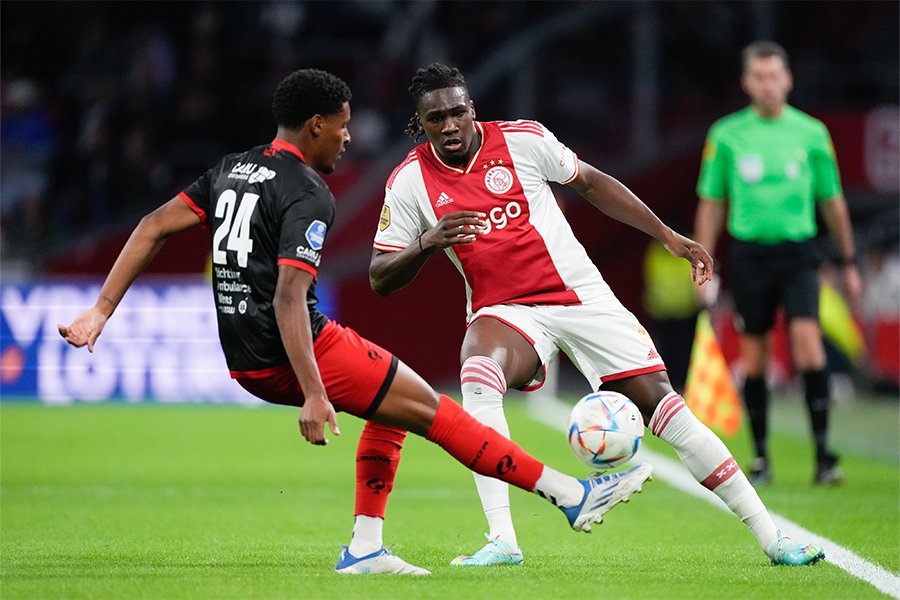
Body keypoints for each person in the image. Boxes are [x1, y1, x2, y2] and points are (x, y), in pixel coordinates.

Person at [57, 68, 656, 577]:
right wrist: (314, 393)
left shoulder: (232, 169)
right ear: (316, 124)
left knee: (391, 403)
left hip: (243, 357)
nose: (348, 138)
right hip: (296, 348)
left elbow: (152, 226)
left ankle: (366, 547)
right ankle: (572, 495)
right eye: (342, 126)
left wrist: (101, 310)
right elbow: (289, 297)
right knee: (436, 412)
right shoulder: (307, 191)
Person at [368, 62, 825, 568]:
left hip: (582, 298)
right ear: (421, 123)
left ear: (472, 109)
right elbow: (380, 276)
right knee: (477, 372)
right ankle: (502, 539)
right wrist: (427, 242)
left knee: (669, 413)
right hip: (505, 311)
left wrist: (667, 236)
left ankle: (773, 537)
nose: (450, 125)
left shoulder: (523, 140)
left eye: (457, 112)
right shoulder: (409, 181)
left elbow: (591, 183)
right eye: (436, 119)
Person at [694, 41, 863, 486]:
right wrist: (703, 259)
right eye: (759, 77)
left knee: (809, 346)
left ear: (788, 80)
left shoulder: (811, 133)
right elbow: (712, 202)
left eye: (775, 76)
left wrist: (848, 261)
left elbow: (832, 202)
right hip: (750, 256)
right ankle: (762, 457)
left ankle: (823, 456)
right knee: (755, 358)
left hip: (799, 254)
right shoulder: (726, 134)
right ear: (746, 82)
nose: (768, 85)